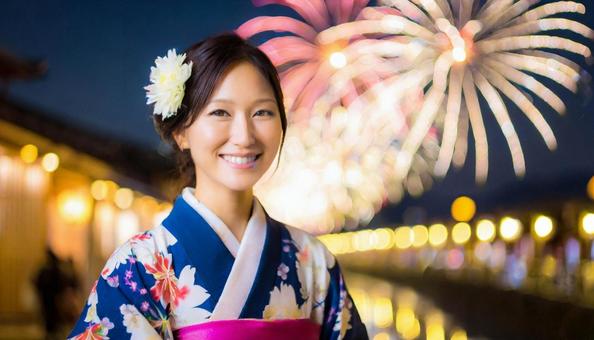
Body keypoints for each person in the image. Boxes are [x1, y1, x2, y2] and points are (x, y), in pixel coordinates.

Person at [68, 33, 368, 339]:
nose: (244, 135)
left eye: (262, 112)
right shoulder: (140, 265)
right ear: (181, 132)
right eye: (220, 112)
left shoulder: (314, 260)